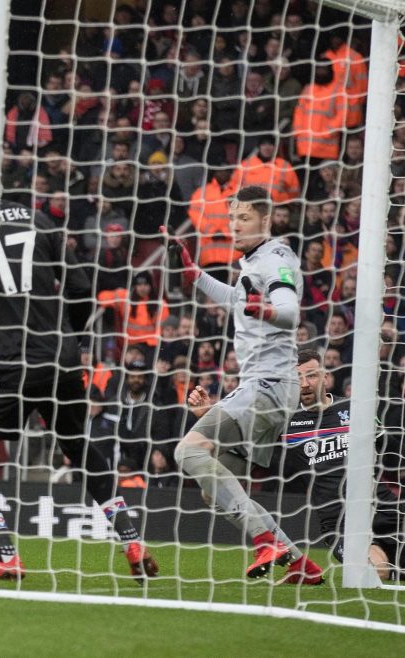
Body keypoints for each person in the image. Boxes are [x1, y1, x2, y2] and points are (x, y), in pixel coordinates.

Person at [0, 147, 158, 582]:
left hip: (12, 364)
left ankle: (5, 552)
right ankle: (130, 540)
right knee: (78, 447)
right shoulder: (42, 220)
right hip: (62, 359)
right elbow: (79, 289)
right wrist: (66, 340)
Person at [164, 185, 313, 580]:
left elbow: (288, 313)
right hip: (269, 391)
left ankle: (266, 540)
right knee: (217, 493)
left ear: (265, 220)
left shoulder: (276, 256)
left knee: (188, 452)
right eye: (232, 218)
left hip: (267, 386)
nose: (234, 226)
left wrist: (253, 305)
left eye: (243, 218)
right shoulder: (254, 262)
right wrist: (194, 273)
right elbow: (237, 300)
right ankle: (300, 563)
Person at [190, 349, 405, 583]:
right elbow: (240, 435)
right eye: (297, 378)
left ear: (325, 377)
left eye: (311, 375)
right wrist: (208, 414)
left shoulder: (353, 409)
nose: (305, 383)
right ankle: (401, 567)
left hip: (386, 510)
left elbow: (390, 446)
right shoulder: (283, 422)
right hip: (340, 521)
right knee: (374, 574)